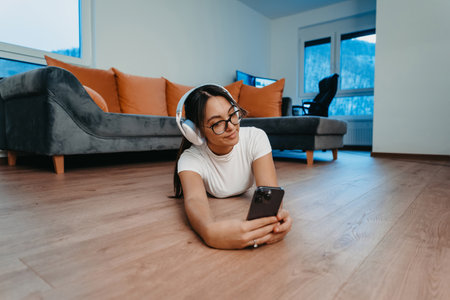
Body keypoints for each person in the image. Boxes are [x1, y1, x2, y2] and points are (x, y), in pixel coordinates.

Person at [173, 84, 292, 250]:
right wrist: (209, 232)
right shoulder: (190, 159)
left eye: (232, 114)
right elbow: (195, 199)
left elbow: (269, 190)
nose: (231, 127)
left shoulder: (255, 137)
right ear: (196, 131)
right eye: (217, 123)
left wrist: (275, 220)